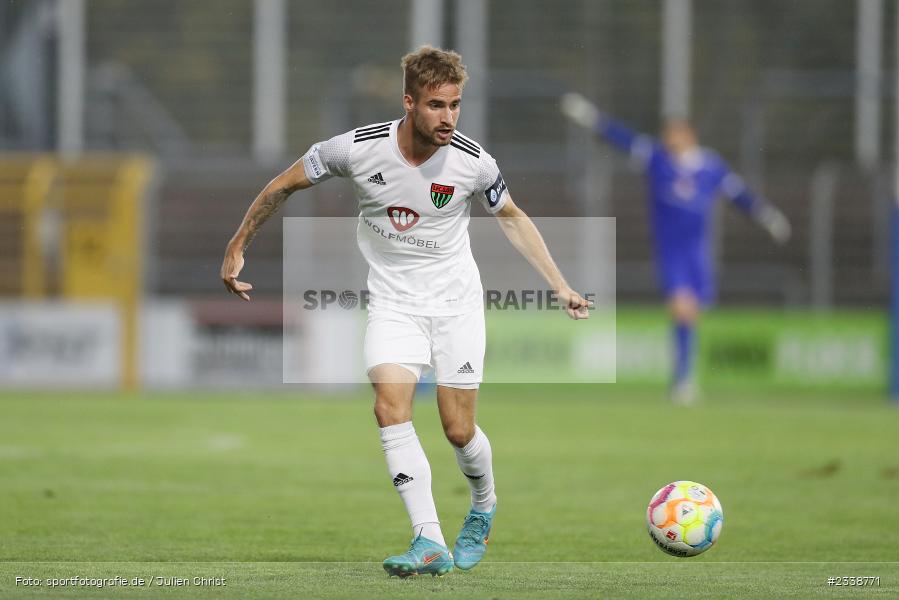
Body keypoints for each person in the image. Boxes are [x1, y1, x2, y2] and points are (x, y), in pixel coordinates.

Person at [221, 46, 591, 578]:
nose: (449, 118)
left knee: (458, 430)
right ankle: (429, 539)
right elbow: (282, 184)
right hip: (393, 303)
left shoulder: (473, 161)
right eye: (438, 106)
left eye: (456, 105)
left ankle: (483, 505)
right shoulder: (356, 149)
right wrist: (238, 244)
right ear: (409, 102)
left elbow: (511, 217)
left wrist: (560, 285)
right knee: (389, 407)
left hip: (456, 306)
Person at [561, 93, 790, 404]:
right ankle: (683, 381)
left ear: (690, 134)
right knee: (681, 307)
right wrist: (592, 117)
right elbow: (624, 139)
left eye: (676, 132)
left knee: (692, 313)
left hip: (698, 250)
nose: (670, 138)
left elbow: (738, 195)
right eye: (667, 133)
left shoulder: (710, 166)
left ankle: (685, 375)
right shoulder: (657, 159)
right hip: (671, 250)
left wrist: (767, 215)